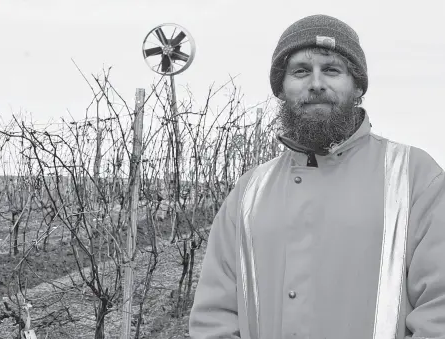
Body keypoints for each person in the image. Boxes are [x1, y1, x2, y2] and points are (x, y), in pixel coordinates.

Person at [189, 14, 445, 339]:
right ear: (281, 88)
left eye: (332, 70)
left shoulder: (416, 177)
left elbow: (438, 313)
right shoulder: (248, 193)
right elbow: (214, 320)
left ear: (358, 86)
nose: (316, 83)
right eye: (300, 71)